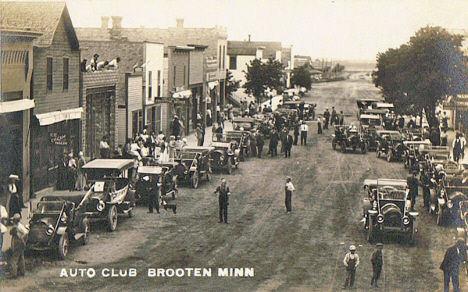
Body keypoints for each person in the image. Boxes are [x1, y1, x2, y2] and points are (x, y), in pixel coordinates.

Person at [9, 214, 29, 278]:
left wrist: (22, 238)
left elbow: (26, 232)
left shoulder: (19, 226)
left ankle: (13, 274)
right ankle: (22, 272)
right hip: (21, 243)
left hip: (19, 243)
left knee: (14, 259)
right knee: (21, 257)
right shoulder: (18, 225)